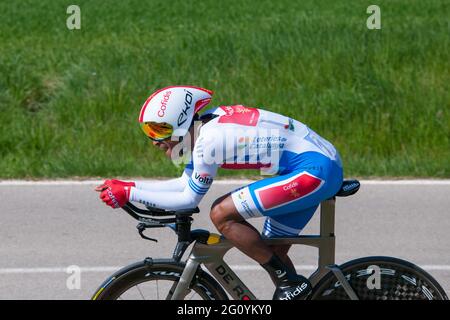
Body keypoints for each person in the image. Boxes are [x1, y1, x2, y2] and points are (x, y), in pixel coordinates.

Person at [96, 85, 343, 300]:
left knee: (221, 213)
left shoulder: (210, 141)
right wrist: (130, 187)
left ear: (182, 122)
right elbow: (184, 184)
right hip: (313, 166)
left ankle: (290, 282)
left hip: (314, 171)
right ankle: (294, 285)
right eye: (149, 131)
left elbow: (188, 198)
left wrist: (128, 192)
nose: (154, 141)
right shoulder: (203, 128)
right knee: (272, 251)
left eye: (159, 130)